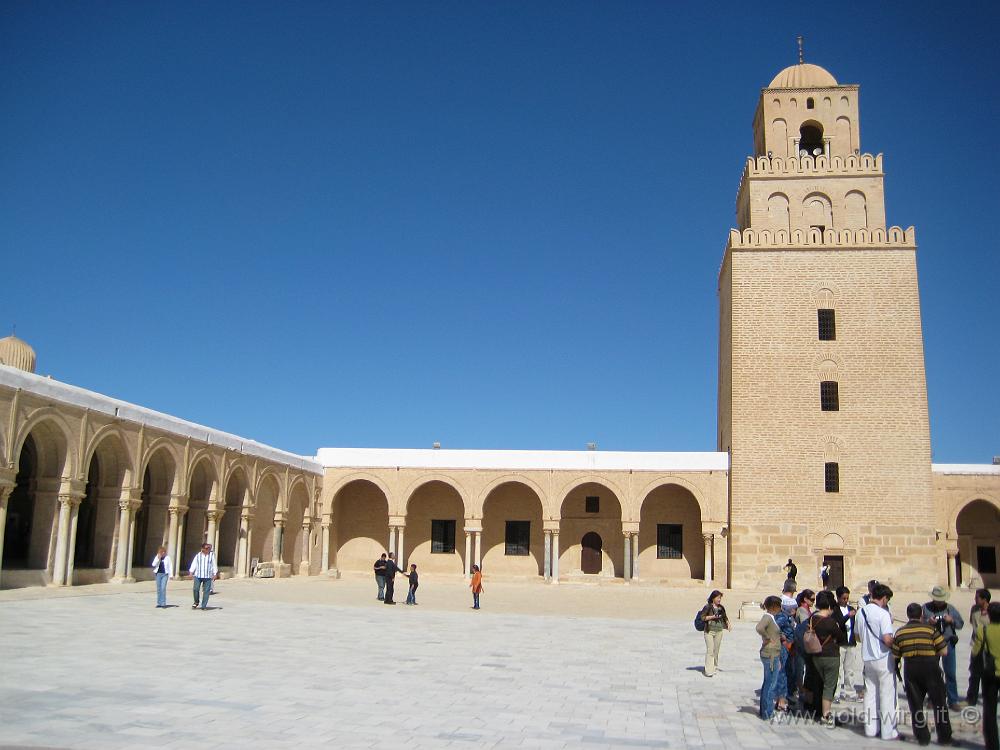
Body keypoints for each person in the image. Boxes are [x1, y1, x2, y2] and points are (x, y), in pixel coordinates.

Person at [892, 602, 955, 747]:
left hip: (911, 669)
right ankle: (945, 737)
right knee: (939, 703)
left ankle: (923, 737)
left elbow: (895, 656)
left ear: (908, 615)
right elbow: (944, 651)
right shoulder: (930, 630)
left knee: (915, 704)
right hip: (930, 667)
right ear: (921, 615)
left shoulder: (900, 632)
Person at [859, 582, 898, 740]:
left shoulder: (861, 613)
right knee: (887, 695)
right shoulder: (883, 614)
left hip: (867, 657)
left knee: (870, 694)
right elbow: (887, 639)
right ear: (884, 598)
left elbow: (857, 635)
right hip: (883, 658)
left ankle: (870, 729)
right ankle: (888, 732)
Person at [923, 585, 965, 710]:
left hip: (948, 643)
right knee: (932, 673)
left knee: (950, 673)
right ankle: (932, 698)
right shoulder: (925, 608)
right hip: (932, 644)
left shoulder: (950, 609)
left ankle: (953, 700)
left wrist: (952, 620)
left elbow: (960, 624)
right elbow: (918, 622)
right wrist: (928, 622)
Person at [809, 590, 847, 726]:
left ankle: (816, 710)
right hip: (830, 655)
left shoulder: (812, 619)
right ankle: (826, 715)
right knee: (829, 686)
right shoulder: (830, 622)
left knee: (819, 683)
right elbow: (841, 637)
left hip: (816, 654)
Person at [972, 601, 1000, 750]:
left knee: (989, 710)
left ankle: (992, 745)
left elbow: (976, 651)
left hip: (990, 672)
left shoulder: (984, 630)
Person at [832, 585, 862, 701]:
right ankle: (836, 693)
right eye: (843, 598)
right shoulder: (835, 610)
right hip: (840, 643)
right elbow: (837, 623)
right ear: (838, 598)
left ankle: (850, 692)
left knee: (849, 670)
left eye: (847, 598)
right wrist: (847, 617)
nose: (845, 600)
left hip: (850, 643)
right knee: (838, 670)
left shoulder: (850, 609)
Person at [756, 596, 784, 721]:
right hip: (770, 654)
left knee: (768, 682)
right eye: (779, 606)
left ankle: (764, 711)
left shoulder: (771, 618)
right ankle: (768, 712)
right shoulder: (767, 617)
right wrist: (767, 638)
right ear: (774, 607)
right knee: (771, 684)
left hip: (772, 653)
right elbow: (759, 628)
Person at [699, 590, 732, 677]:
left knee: (716, 650)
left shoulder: (721, 607)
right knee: (710, 650)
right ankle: (708, 670)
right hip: (709, 631)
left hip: (719, 631)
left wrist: (728, 624)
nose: (719, 599)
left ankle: (714, 666)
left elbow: (725, 616)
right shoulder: (707, 607)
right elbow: (702, 617)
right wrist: (712, 617)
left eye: (720, 598)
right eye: (718, 597)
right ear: (713, 598)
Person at [968, 589, 992, 706]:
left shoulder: (994, 611)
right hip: (976, 645)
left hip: (989, 647)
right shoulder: (974, 609)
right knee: (974, 673)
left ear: (984, 599)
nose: (974, 599)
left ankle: (989, 697)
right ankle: (971, 698)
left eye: (977, 597)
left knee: (989, 673)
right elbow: (973, 625)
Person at [188, 542, 218, 610]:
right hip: (198, 575)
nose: (208, 550)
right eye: (207, 548)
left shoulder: (211, 555)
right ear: (202, 549)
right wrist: (191, 572)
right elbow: (194, 563)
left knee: (206, 591)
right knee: (195, 589)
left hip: (207, 576)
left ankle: (204, 605)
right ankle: (196, 602)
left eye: (209, 548)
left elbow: (214, 564)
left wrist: (215, 573)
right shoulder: (198, 555)